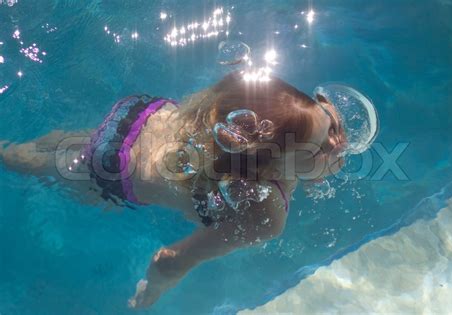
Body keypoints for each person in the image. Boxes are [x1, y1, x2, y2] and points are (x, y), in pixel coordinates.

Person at [0, 72, 353, 308]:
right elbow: (169, 260)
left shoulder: (239, 124)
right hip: (113, 168)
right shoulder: (266, 215)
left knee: (61, 147)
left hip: (141, 115)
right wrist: (150, 293)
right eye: (323, 146)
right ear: (269, 168)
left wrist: (315, 137)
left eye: (330, 125)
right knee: (36, 164)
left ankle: (11, 147)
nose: (338, 145)